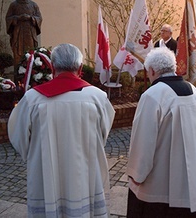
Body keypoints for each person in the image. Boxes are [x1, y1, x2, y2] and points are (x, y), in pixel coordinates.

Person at [8, 43, 115, 217]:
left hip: (46, 174)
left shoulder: (32, 99)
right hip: (86, 175)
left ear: (52, 66)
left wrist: (35, 154)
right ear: (80, 68)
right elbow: (103, 134)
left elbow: (17, 136)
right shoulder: (98, 97)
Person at [126, 47, 196, 217]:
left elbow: (143, 141)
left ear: (152, 70)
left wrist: (136, 174)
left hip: (158, 186)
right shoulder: (193, 92)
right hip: (189, 179)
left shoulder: (152, 95)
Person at [6, 0, 42, 66]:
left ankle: (31, 73)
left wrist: (31, 18)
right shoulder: (14, 5)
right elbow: (8, 18)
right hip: (18, 33)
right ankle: (18, 74)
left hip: (30, 33)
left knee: (31, 53)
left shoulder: (33, 5)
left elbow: (39, 18)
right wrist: (18, 18)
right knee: (18, 54)